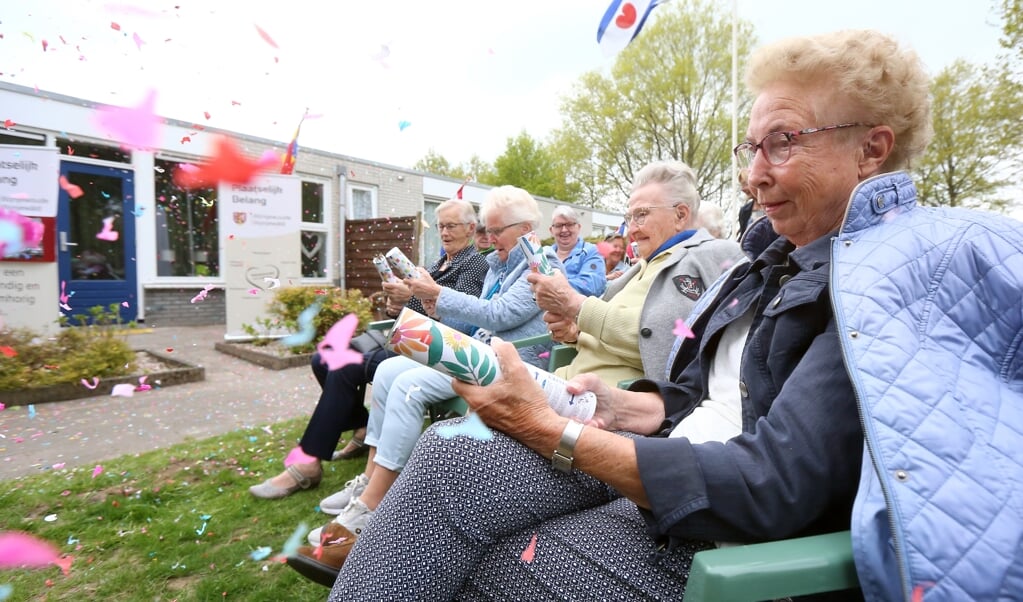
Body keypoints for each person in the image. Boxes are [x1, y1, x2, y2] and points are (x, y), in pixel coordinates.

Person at [325, 30, 1023, 601]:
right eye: (750, 148)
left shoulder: (891, 277)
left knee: (497, 565)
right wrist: (632, 408)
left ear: (871, 148)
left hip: (725, 528)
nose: (754, 174)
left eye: (782, 141)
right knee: (451, 453)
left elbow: (773, 484)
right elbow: (709, 398)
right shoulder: (766, 266)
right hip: (672, 459)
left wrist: (545, 425)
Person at [288, 185, 562, 565]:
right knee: (385, 369)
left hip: (509, 364)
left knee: (408, 385)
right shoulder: (499, 264)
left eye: (496, 230)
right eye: (487, 230)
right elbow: (476, 316)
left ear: (527, 228)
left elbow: (501, 315)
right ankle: (371, 480)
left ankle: (374, 504)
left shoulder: (541, 265)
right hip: (481, 353)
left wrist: (436, 295)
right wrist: (431, 303)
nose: (489, 238)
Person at [248, 198, 488, 499]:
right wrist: (396, 305)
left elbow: (456, 321)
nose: (444, 232)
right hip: (402, 334)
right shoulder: (439, 263)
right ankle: (361, 427)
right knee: (323, 358)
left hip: (425, 346)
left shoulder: (476, 265)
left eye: (451, 226)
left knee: (344, 367)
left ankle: (309, 462)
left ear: (470, 228)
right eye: (440, 226)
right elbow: (416, 308)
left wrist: (408, 300)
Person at [532, 160, 744, 387]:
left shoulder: (706, 255)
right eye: (629, 217)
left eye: (641, 215)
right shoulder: (644, 265)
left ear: (681, 215)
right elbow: (617, 331)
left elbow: (670, 344)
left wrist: (576, 306)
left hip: (600, 402)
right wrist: (576, 332)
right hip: (566, 383)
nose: (632, 229)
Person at [547, 205, 606, 297]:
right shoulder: (544, 254)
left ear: (578, 227)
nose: (564, 230)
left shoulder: (592, 251)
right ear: (551, 230)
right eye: (558, 225)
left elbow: (591, 285)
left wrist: (549, 287)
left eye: (569, 224)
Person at [734, 167, 763, 241]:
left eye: (745, 184)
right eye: (741, 185)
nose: (742, 189)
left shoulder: (774, 205)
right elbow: (743, 236)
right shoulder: (744, 211)